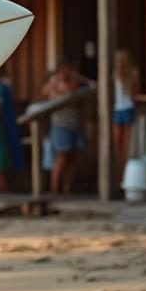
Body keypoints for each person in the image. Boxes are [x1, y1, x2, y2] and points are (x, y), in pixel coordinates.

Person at [40, 58, 88, 195]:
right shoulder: (54, 82)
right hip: (60, 124)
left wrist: (79, 79)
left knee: (73, 157)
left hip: (75, 122)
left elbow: (89, 86)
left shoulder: (75, 81)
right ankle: (54, 188)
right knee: (61, 156)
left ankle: (67, 188)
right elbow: (45, 95)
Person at [112, 49, 139, 181]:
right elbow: (135, 93)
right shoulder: (132, 74)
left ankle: (120, 176)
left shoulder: (115, 75)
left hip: (119, 109)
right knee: (125, 147)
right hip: (127, 108)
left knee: (119, 147)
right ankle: (123, 176)